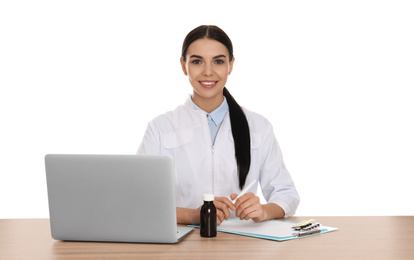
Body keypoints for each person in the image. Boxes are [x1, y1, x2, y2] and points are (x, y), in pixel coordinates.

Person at [137, 25, 299, 225]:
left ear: (231, 65)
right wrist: (193, 215)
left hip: (241, 245)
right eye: (197, 61)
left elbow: (286, 194)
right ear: (183, 65)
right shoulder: (160, 128)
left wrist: (263, 211)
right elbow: (140, 200)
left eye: (218, 61)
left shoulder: (259, 127)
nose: (207, 72)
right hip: (181, 244)